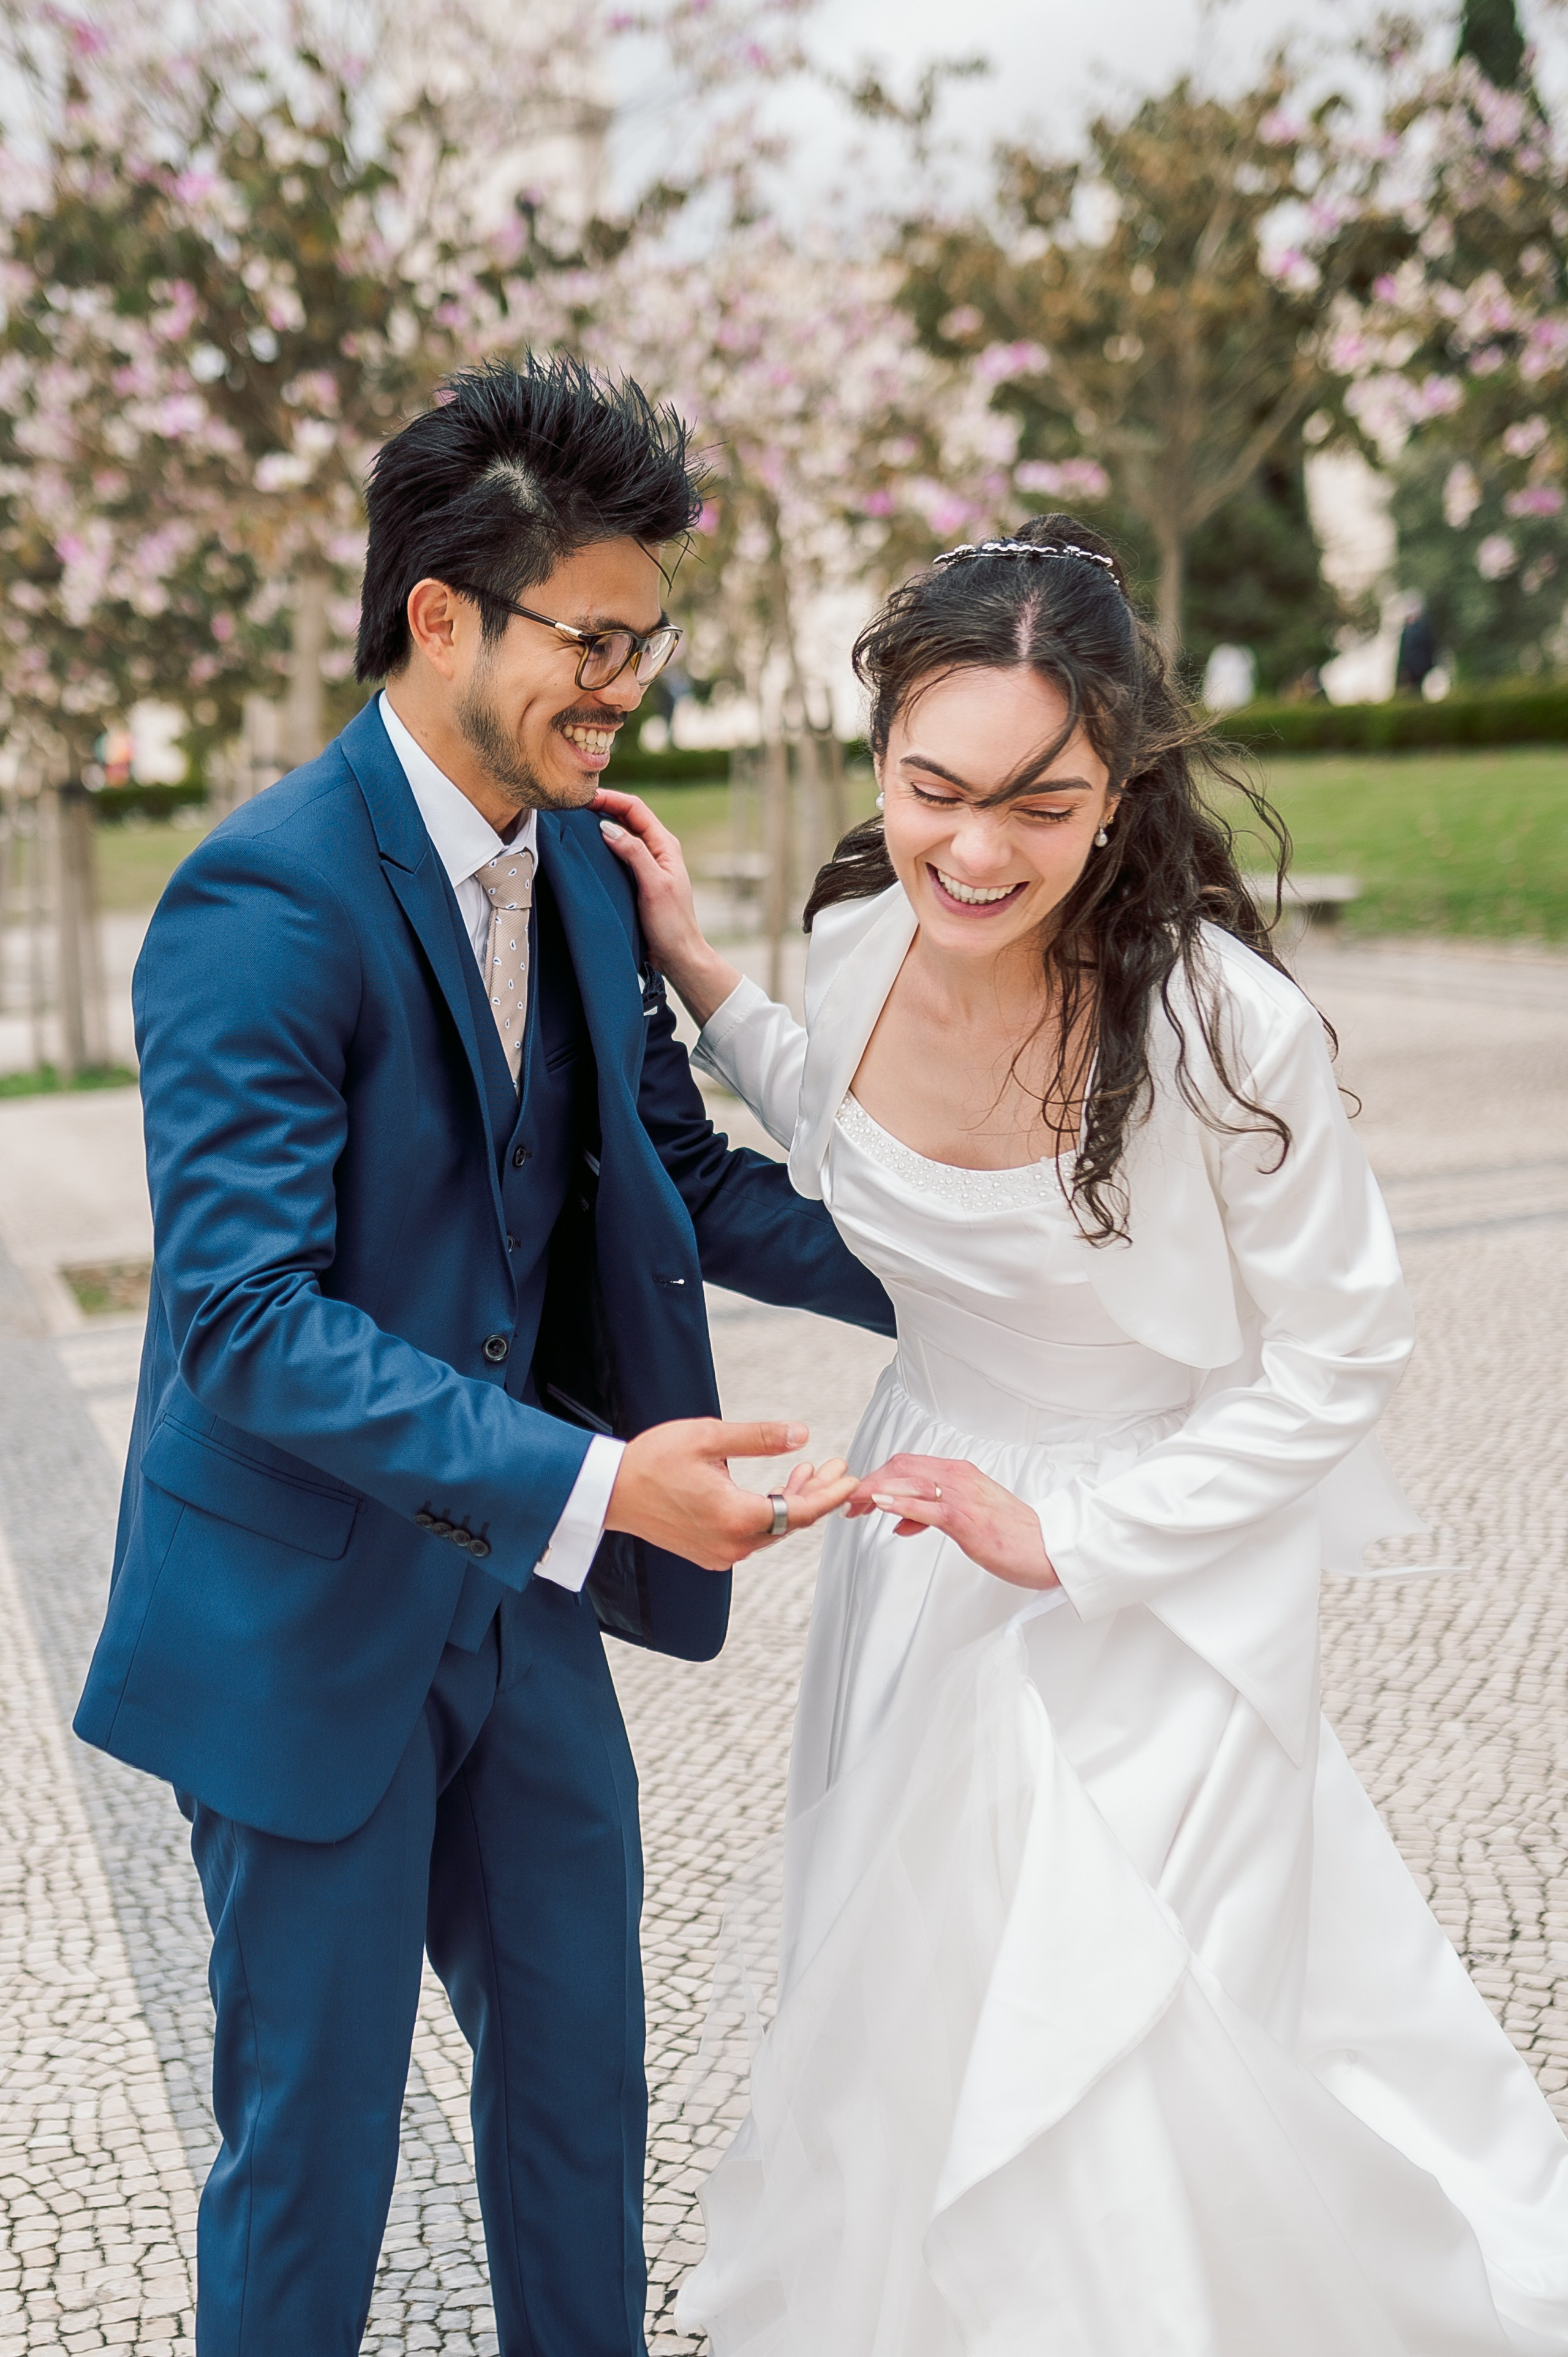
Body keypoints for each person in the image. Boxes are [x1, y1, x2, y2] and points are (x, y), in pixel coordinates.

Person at [597, 515, 1568, 2355]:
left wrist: (1084, 1542)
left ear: (1118, 789)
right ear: (878, 748)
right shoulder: (859, 936)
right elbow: (840, 1121)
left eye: (1039, 804)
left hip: (1153, 1581)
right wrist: (705, 980)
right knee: (921, 1998)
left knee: (1111, 2022)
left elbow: (1344, 1353)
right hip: (924, 1533)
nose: (972, 850)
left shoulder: (1221, 1031)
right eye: (932, 787)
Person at [73, 356, 892, 2357]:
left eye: (648, 644)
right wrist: (611, 1484)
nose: (626, 687)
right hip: (302, 1624)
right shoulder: (261, 897)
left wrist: (975, 1269)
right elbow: (250, 1327)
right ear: (442, 614)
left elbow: (676, 1172)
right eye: (593, 639)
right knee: (315, 2158)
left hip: (517, 1619)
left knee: (577, 2116)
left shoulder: (594, 872)